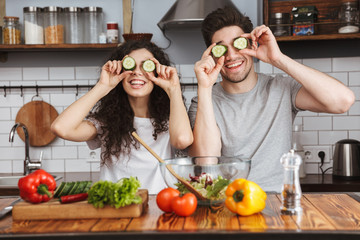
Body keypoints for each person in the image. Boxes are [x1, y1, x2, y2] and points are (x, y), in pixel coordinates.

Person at [188, 7, 355, 192]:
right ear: (211, 54)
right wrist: (204, 86)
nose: (231, 55)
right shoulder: (202, 102)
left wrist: (278, 59)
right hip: (229, 206)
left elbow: (343, 101)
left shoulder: (282, 88)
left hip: (279, 204)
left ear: (252, 45)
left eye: (239, 44)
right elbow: (206, 162)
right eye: (221, 48)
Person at [51, 40, 193, 194]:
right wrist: (102, 86)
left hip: (159, 207)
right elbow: (61, 128)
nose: (137, 72)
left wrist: (173, 89)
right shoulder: (105, 121)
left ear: (157, 73)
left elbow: (182, 140)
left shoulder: (170, 120)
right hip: (117, 210)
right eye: (130, 66)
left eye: (145, 66)